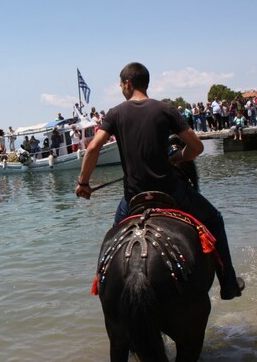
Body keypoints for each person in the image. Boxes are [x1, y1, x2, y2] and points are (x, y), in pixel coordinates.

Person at [75, 62, 244, 300]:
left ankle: (104, 289)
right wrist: (176, 157)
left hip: (133, 198)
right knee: (214, 220)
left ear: (127, 84)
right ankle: (228, 284)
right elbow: (196, 147)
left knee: (113, 240)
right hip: (171, 192)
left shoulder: (115, 113)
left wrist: (83, 183)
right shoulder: (166, 110)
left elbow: (93, 148)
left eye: (121, 85)